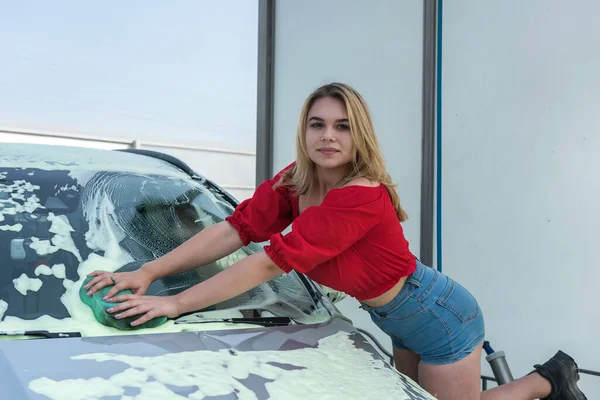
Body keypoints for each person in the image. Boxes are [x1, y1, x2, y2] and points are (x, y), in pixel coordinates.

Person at [84, 82, 586, 400]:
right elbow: (234, 230)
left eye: (343, 127)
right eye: (318, 124)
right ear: (304, 131)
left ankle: (549, 380)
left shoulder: (359, 196)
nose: (329, 136)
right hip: (395, 315)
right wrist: (148, 271)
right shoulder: (294, 182)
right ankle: (553, 379)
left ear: (358, 135)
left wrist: (175, 304)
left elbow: (266, 265)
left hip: (438, 316)